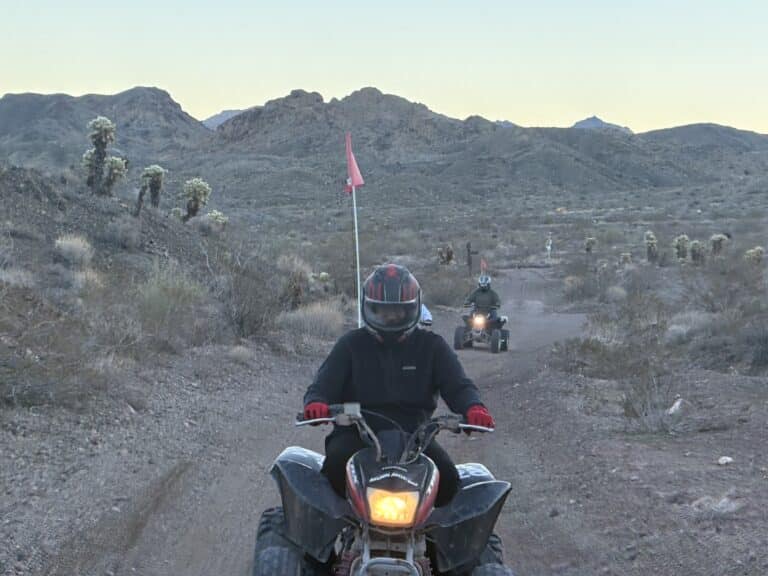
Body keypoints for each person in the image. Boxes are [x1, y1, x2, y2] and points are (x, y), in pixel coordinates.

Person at [303, 264, 495, 507]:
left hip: (415, 439)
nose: (391, 317)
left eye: (398, 312)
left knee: (447, 482)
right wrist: (316, 403)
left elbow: (458, 385)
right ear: (369, 308)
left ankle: (437, 542)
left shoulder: (432, 347)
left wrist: (473, 407)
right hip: (356, 433)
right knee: (332, 475)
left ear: (413, 309)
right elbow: (323, 384)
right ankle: (330, 539)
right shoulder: (351, 345)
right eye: (383, 311)